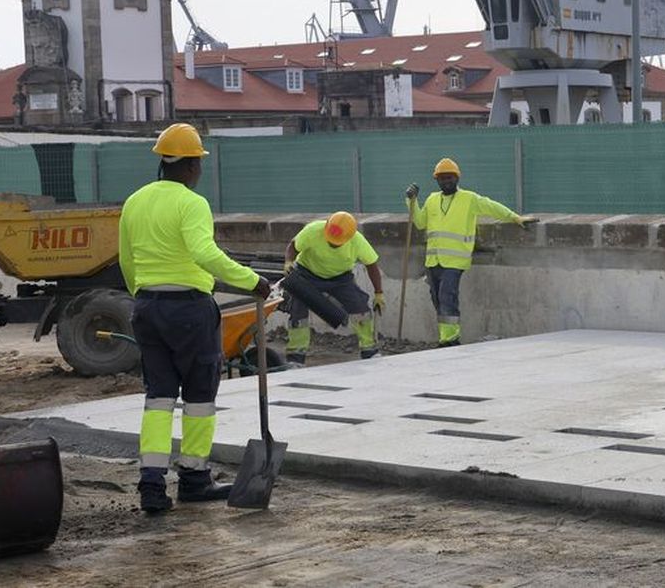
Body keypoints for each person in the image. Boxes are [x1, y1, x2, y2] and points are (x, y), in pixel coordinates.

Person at [118, 123, 271, 514]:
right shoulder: (191, 203)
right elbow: (205, 254)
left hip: (147, 309)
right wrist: (253, 281)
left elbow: (127, 260)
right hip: (188, 309)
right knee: (200, 397)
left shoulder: (135, 201)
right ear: (189, 167)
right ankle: (194, 479)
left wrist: (144, 296)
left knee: (158, 398)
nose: (199, 171)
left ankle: (151, 485)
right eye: (198, 164)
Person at [405, 158, 535, 347]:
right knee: (437, 299)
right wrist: (412, 201)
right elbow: (419, 222)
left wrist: (515, 218)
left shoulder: (469, 199)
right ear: (437, 180)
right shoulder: (433, 199)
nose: (446, 181)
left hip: (455, 261)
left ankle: (450, 340)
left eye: (449, 177)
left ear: (457, 178)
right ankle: (446, 335)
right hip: (433, 261)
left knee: (447, 297)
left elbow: (492, 207)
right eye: (442, 178)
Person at [282, 211, 385, 363]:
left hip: (341, 279)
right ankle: (295, 357)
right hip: (307, 274)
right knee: (298, 310)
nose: (331, 243)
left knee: (360, 307)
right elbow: (293, 246)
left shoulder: (357, 241)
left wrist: (379, 293)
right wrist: (289, 262)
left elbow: (371, 265)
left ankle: (369, 350)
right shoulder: (313, 230)